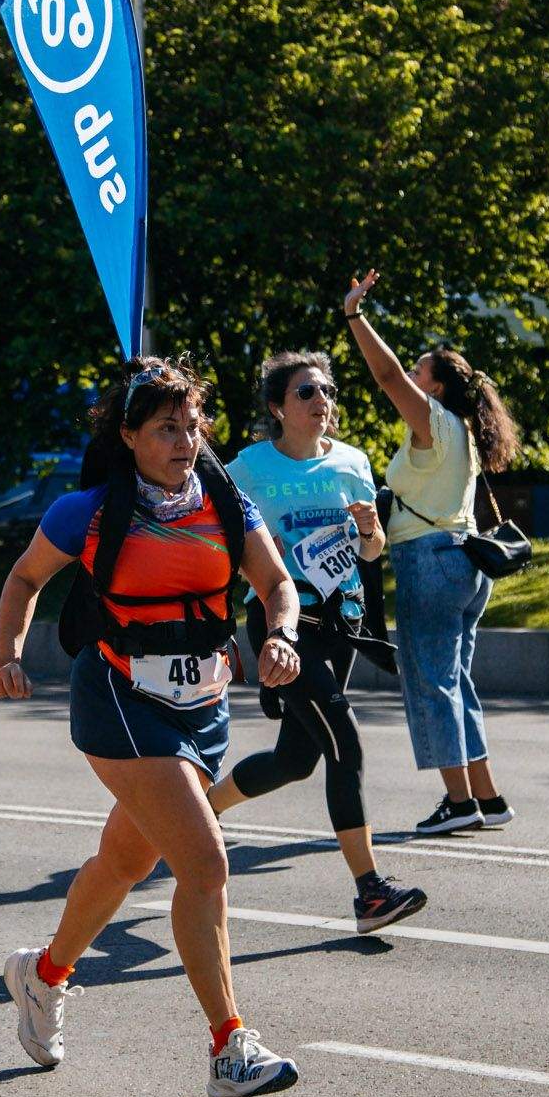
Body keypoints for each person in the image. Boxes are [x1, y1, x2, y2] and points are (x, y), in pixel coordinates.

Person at [0, 356, 306, 1097]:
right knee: (205, 863)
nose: (184, 441)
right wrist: (6, 653)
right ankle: (229, 1045)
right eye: (166, 428)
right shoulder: (90, 510)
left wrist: (281, 633)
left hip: (205, 705)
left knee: (124, 858)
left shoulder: (227, 504)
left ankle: (43, 974)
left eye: (193, 426)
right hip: (121, 701)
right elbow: (25, 577)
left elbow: (276, 583)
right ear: (129, 435)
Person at [207, 351, 428, 932]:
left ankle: (203, 811)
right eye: (306, 392)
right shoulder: (248, 468)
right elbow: (219, 544)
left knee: (294, 759)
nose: (321, 401)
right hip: (284, 625)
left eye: (326, 391)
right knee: (345, 744)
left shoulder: (353, 463)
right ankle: (370, 893)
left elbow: (371, 552)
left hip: (341, 623)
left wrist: (371, 531)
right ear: (278, 407)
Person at [344, 270, 521, 835]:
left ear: (436, 387)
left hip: (431, 562)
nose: (413, 377)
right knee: (456, 680)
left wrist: (355, 316)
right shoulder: (463, 430)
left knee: (430, 682)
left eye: (423, 372)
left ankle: (458, 801)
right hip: (465, 565)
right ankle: (487, 798)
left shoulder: (436, 422)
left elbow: (385, 373)